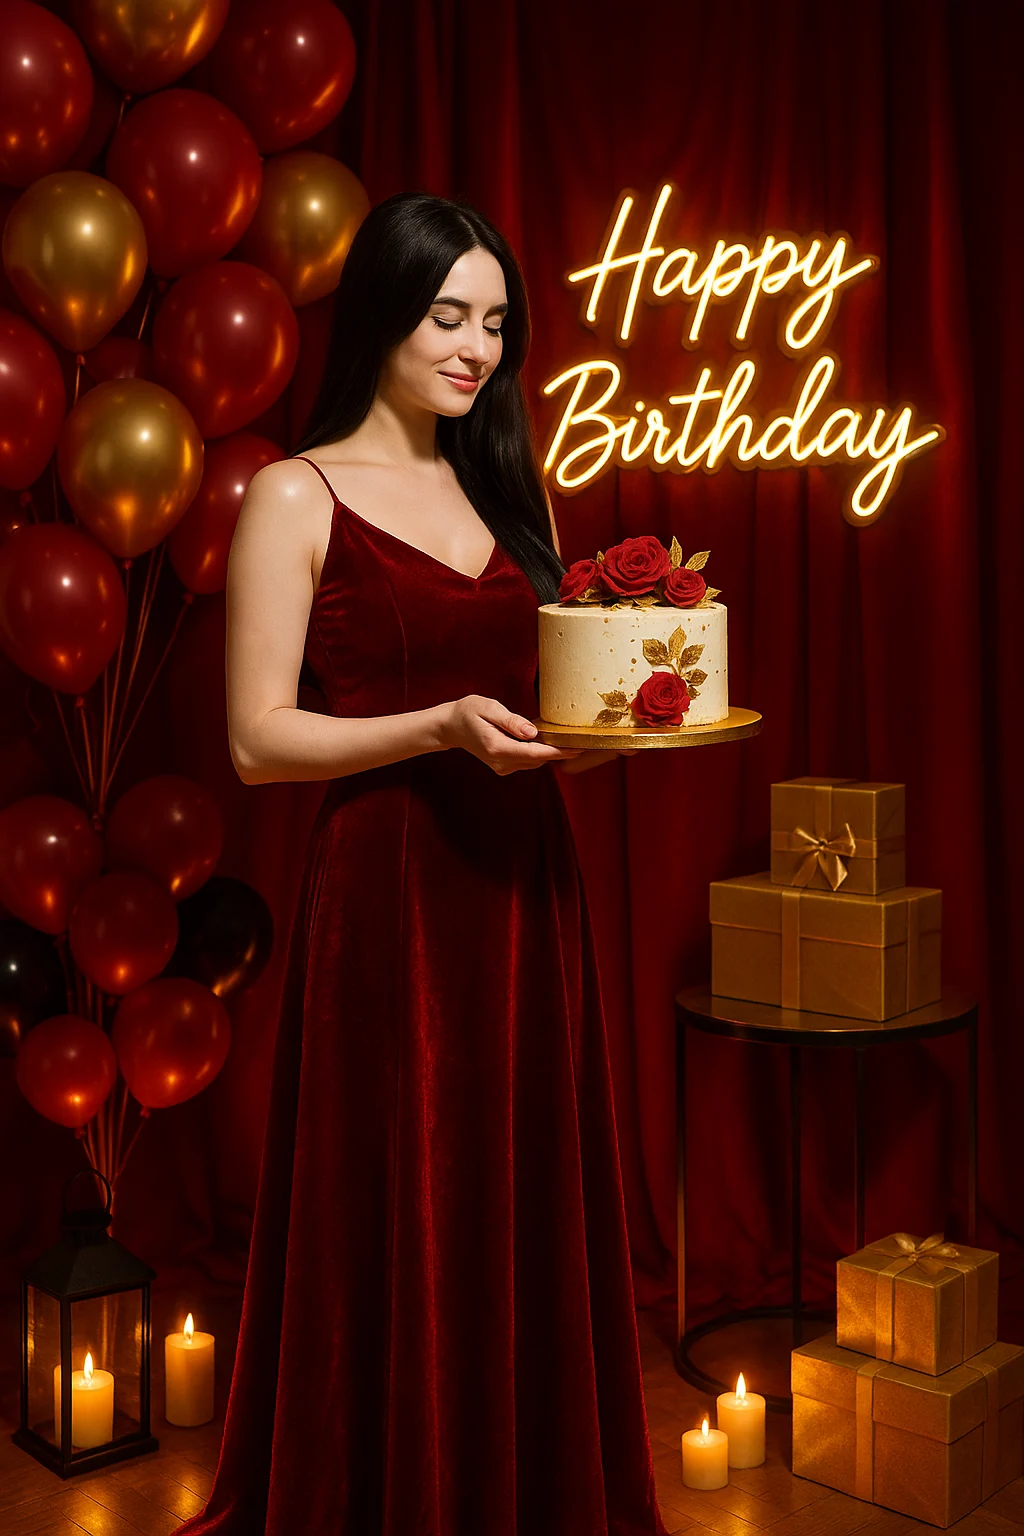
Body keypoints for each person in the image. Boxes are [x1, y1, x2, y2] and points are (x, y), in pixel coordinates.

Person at [175, 191, 668, 1536]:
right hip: (386, 894)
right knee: (395, 1188)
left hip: (525, 889)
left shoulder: (512, 488)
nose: (475, 349)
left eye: (497, 324)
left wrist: (612, 739)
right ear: (385, 313)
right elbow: (258, 742)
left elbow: (546, 713)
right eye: (449, 315)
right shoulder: (296, 491)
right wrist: (437, 729)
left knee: (516, 1190)